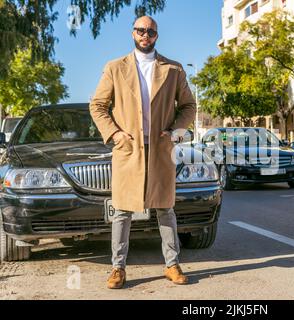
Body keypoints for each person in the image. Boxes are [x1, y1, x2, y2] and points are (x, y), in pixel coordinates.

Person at [89, 16, 196, 289]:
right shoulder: (115, 67)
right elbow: (98, 105)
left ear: (156, 35)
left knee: (165, 208)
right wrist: (114, 134)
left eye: (150, 31)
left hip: (161, 147)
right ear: (133, 33)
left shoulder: (173, 69)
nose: (144, 34)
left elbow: (188, 107)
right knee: (122, 210)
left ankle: (172, 265)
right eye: (140, 30)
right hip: (128, 148)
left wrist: (175, 132)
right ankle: (117, 268)